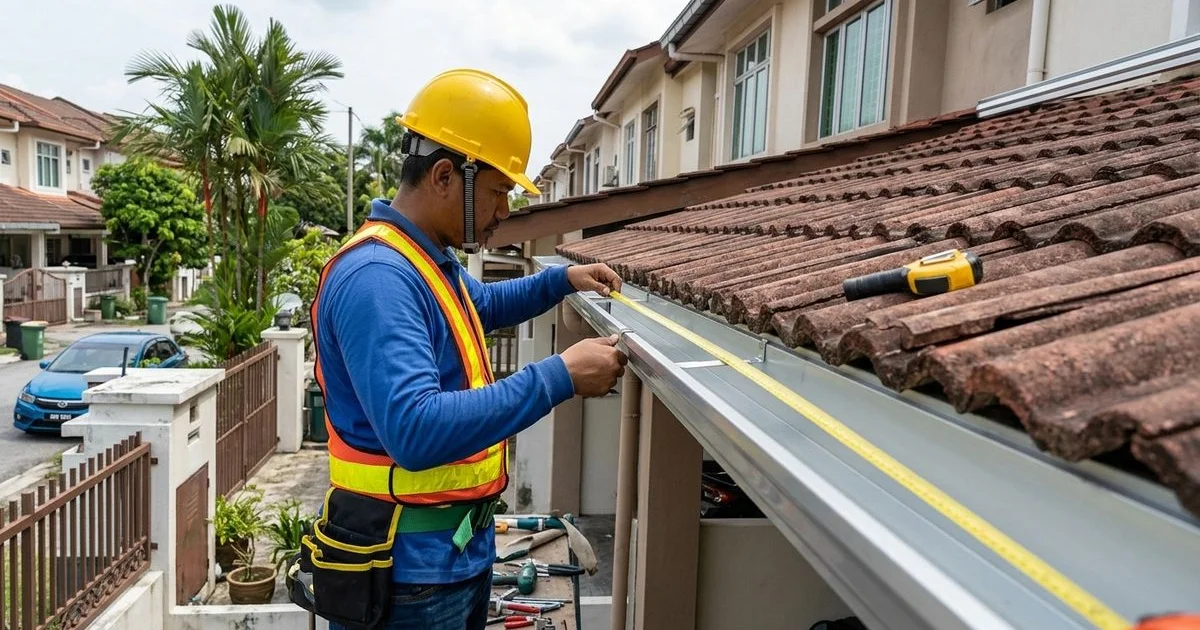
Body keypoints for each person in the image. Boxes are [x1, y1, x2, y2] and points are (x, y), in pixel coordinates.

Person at [297, 68, 628, 630]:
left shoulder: (423, 258)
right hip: (406, 580)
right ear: (446, 175)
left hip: (446, 561)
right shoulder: (379, 276)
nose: (504, 212)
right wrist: (561, 376)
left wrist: (561, 281)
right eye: (499, 191)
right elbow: (415, 429)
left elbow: (480, 306)